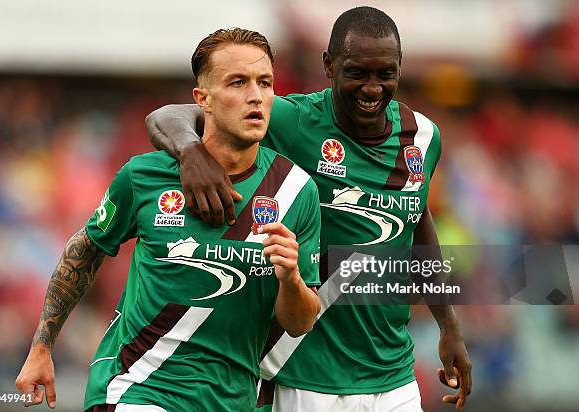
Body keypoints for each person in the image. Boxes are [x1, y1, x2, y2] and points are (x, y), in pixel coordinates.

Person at [145, 6, 472, 412]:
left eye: (385, 74)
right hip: (303, 374)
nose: (372, 88)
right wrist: (190, 151)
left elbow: (417, 223)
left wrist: (448, 324)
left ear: (400, 68)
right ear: (329, 65)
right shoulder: (292, 120)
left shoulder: (423, 137)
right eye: (357, 73)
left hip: (394, 376)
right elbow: (169, 115)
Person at [15, 28, 322, 412]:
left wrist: (290, 278)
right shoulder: (144, 176)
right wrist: (41, 348)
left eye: (265, 83)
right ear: (202, 99)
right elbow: (86, 248)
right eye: (238, 82)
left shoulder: (296, 190)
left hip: (231, 400)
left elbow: (300, 322)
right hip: (138, 387)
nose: (255, 96)